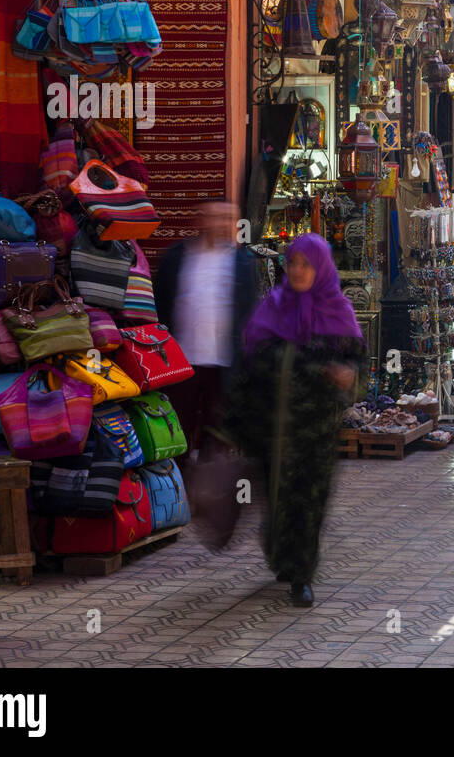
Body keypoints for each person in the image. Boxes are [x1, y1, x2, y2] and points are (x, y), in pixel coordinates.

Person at [223, 234, 364, 607]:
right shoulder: (273, 306)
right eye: (293, 263)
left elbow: (355, 363)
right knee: (277, 498)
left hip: (316, 430)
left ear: (321, 268)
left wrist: (345, 376)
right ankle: (282, 558)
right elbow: (251, 362)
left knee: (309, 500)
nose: (298, 270)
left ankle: (302, 574)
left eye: (306, 264)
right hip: (272, 426)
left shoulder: (337, 310)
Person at [156, 202, 261, 464]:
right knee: (177, 429)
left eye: (229, 218)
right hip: (182, 362)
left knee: (217, 436)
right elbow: (161, 303)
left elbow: (249, 314)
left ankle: (210, 497)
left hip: (224, 365)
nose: (222, 224)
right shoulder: (177, 256)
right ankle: (178, 491)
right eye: (216, 217)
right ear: (201, 220)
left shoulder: (243, 263)